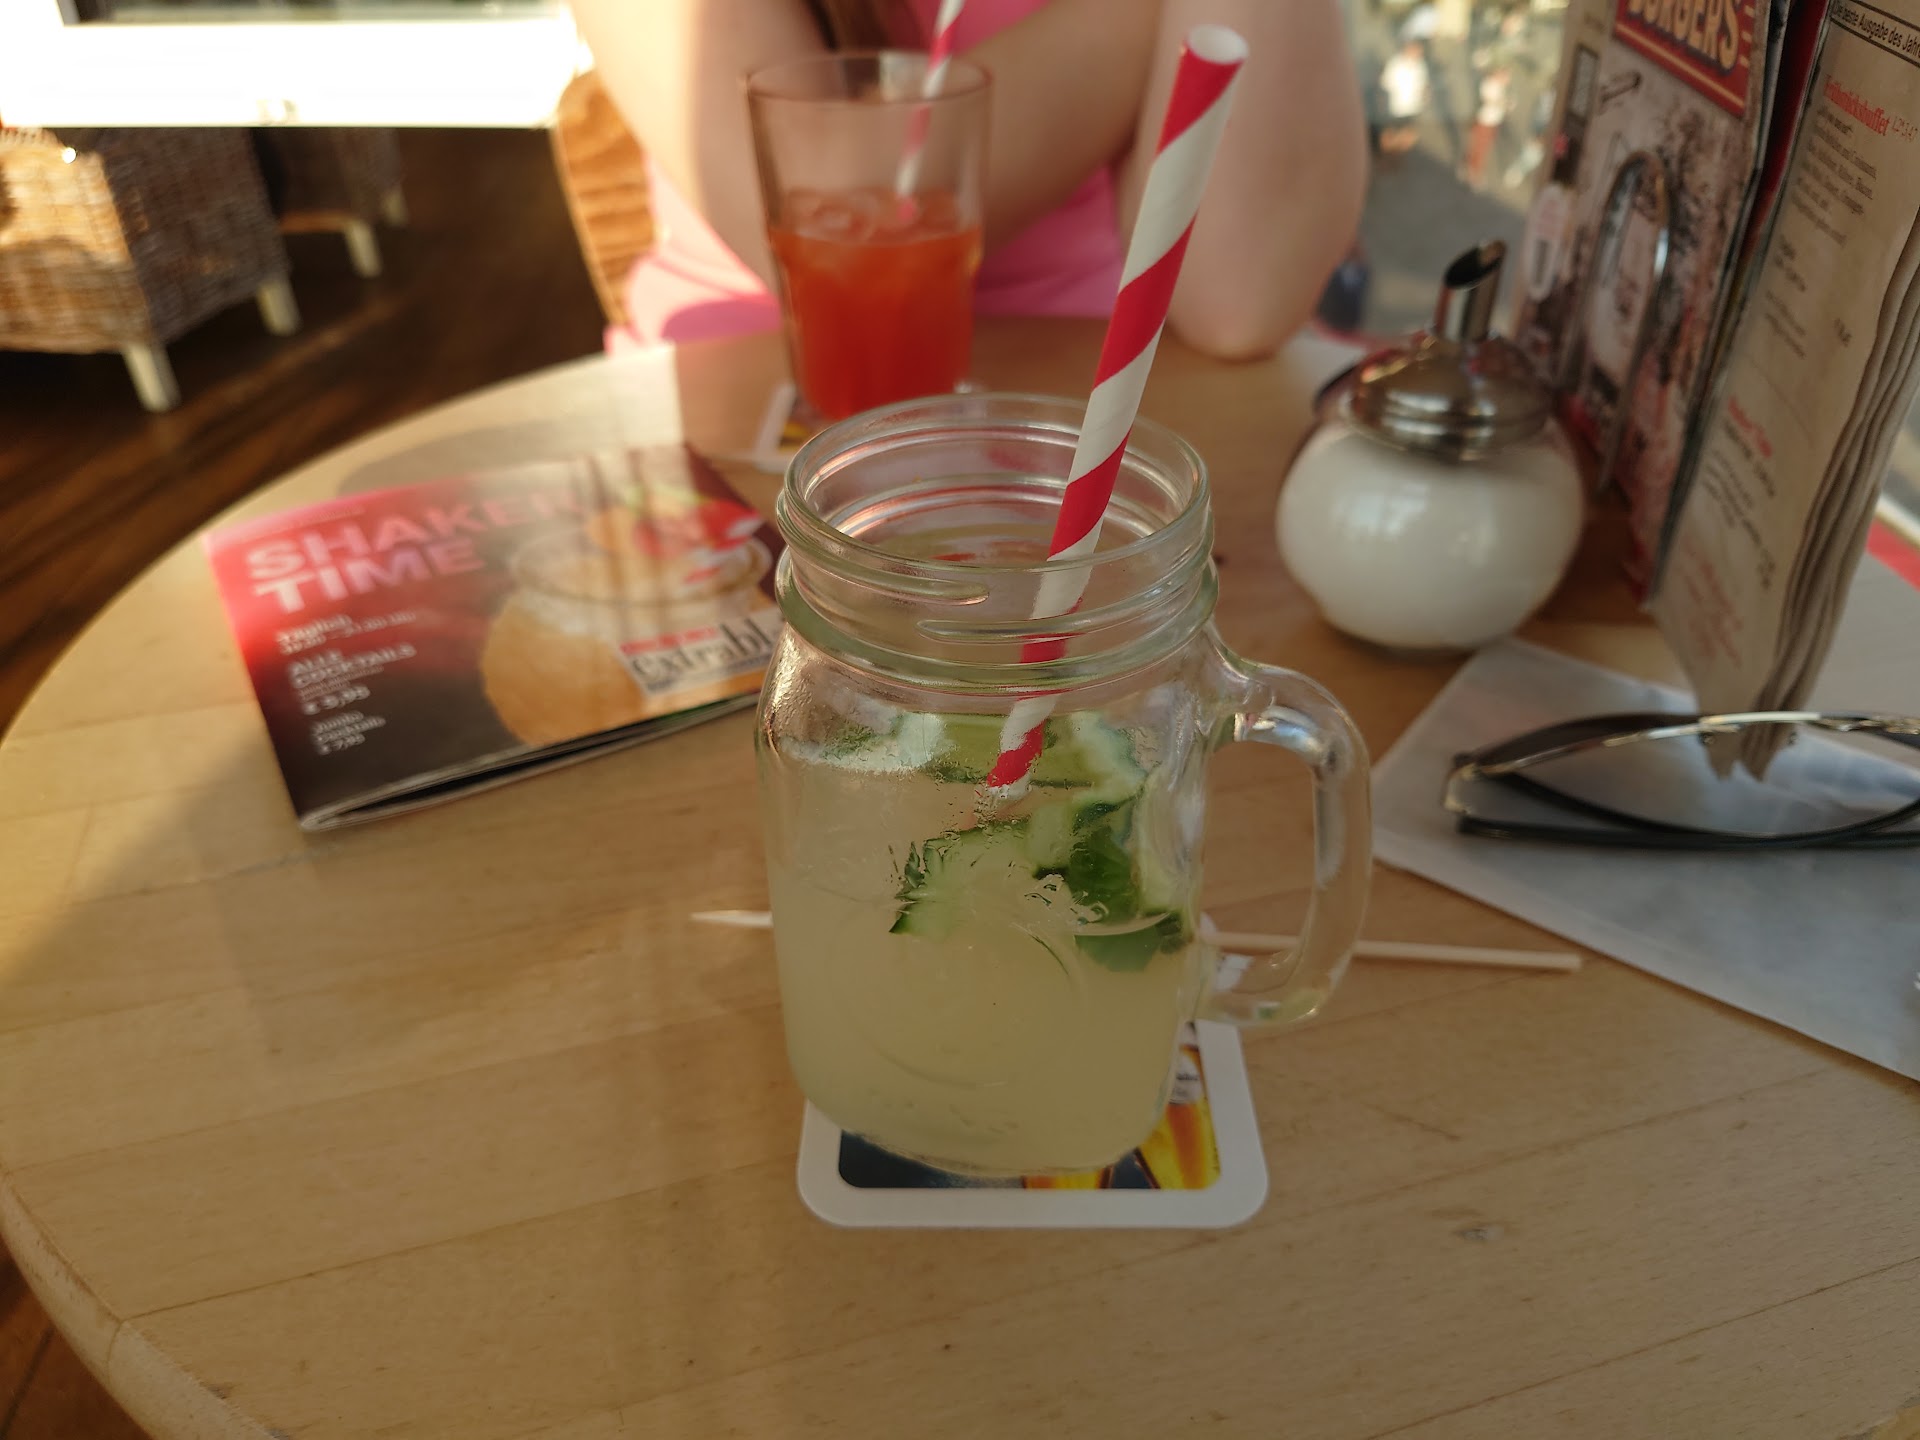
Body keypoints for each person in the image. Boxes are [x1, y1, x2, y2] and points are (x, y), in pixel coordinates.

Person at [570, 0, 1368, 361]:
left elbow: (1241, 300)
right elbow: (840, 226)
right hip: (758, 407)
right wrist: (1149, 17)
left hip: (1103, 418)